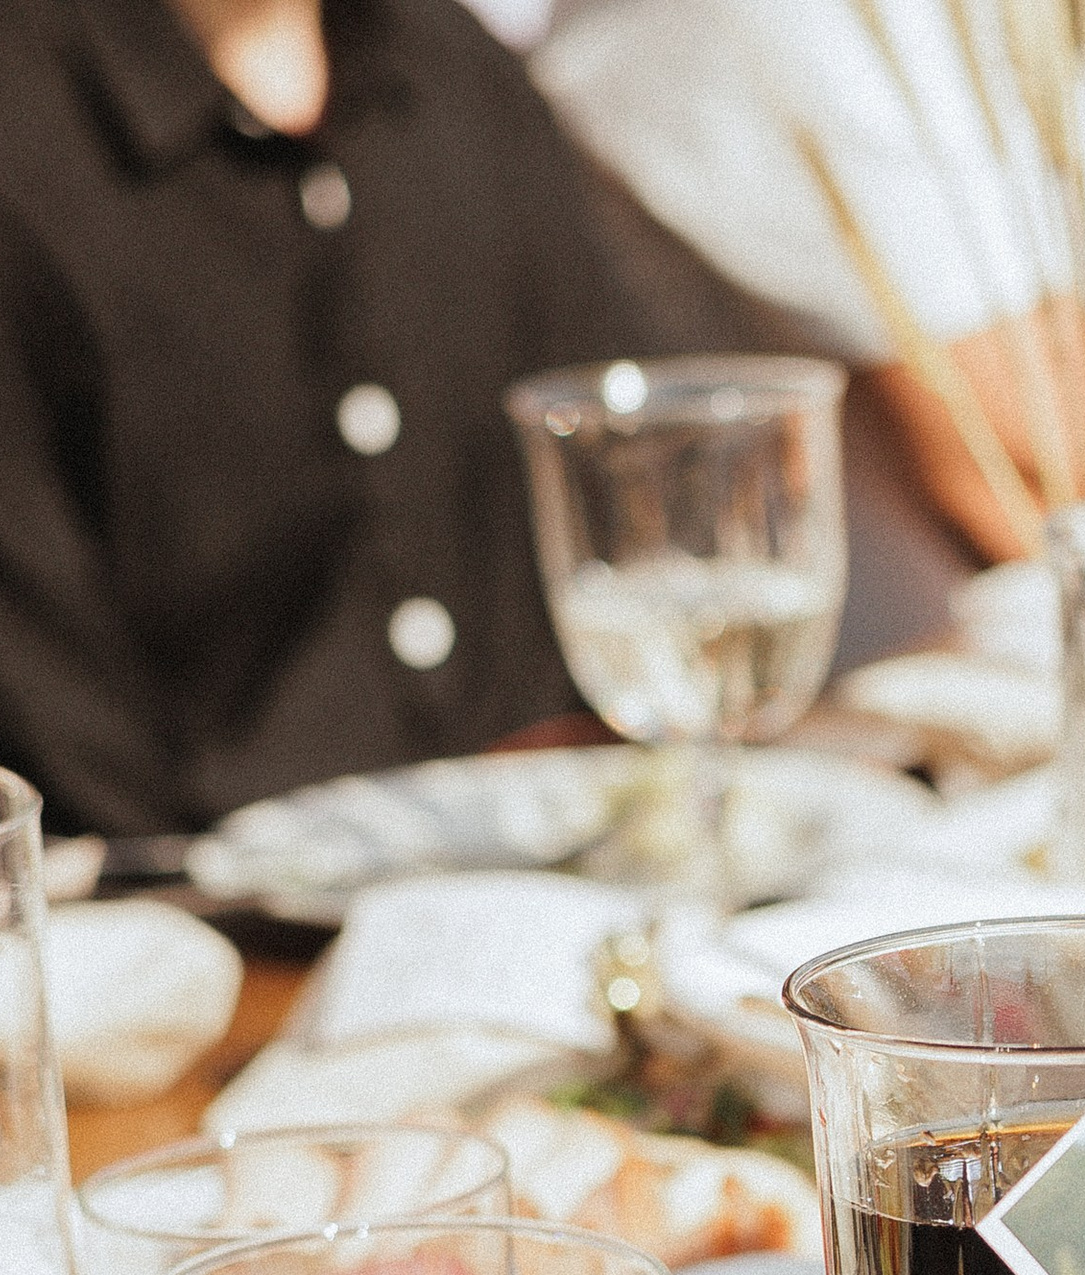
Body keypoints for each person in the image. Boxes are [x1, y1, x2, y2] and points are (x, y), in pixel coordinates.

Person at [0, 0, 964, 839]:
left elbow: (641, 476)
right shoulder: (29, 122)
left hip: (551, 868)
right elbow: (51, 709)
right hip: (194, 944)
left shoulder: (449, 63)